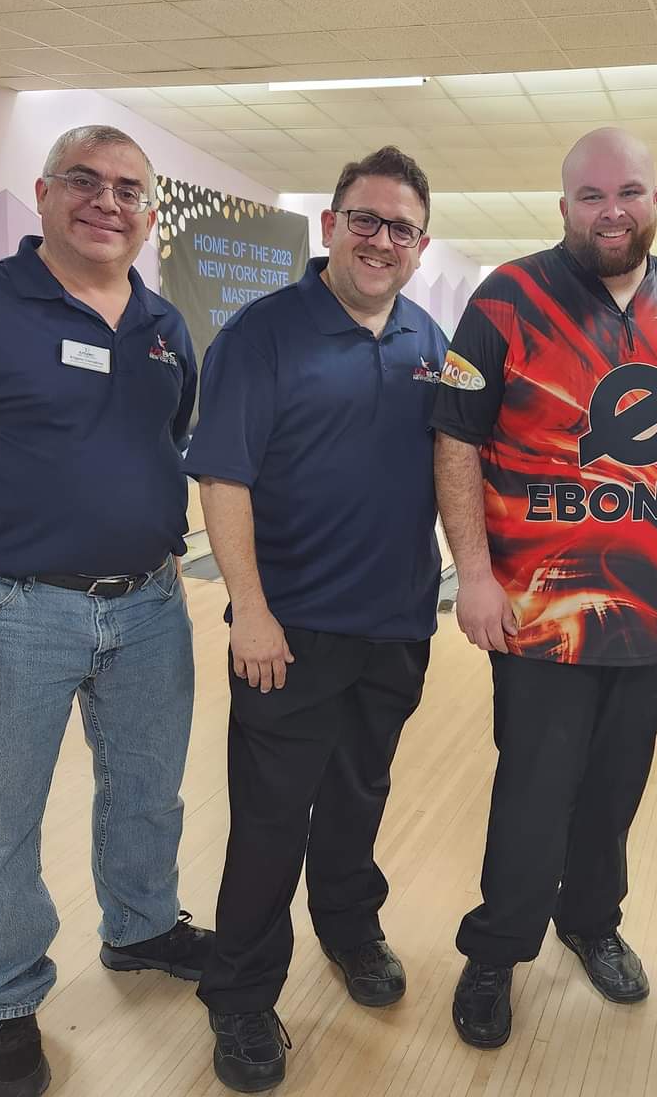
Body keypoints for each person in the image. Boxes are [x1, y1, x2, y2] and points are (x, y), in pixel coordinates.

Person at [0, 125, 213, 1097]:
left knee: (149, 791)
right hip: (19, 610)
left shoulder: (165, 326)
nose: (107, 202)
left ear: (149, 213)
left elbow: (169, 441)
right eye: (84, 181)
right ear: (43, 195)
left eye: (129, 189)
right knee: (3, 818)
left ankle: (141, 926)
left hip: (151, 603)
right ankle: (1, 999)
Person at [432, 127, 657, 1049]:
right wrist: (472, 576)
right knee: (533, 791)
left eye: (629, 192)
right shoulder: (507, 298)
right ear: (563, 205)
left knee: (615, 790)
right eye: (592, 196)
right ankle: (498, 948)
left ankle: (592, 921)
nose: (613, 211)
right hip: (538, 616)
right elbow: (456, 438)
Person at [183, 146, 448, 1093]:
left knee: (358, 794)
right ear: (331, 225)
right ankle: (241, 994)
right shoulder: (263, 333)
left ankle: (348, 925)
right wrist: (248, 610)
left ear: (421, 245)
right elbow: (224, 476)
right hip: (287, 633)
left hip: (395, 624)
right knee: (269, 820)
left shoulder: (428, 339)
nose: (381, 240)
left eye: (401, 227)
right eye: (364, 220)